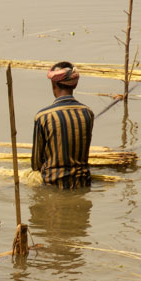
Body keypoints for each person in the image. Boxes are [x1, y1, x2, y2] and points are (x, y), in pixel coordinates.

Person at [30, 61, 94, 189]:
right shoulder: (87, 113)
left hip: (52, 184)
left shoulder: (43, 117)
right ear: (75, 85)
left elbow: (36, 163)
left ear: (54, 84)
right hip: (82, 182)